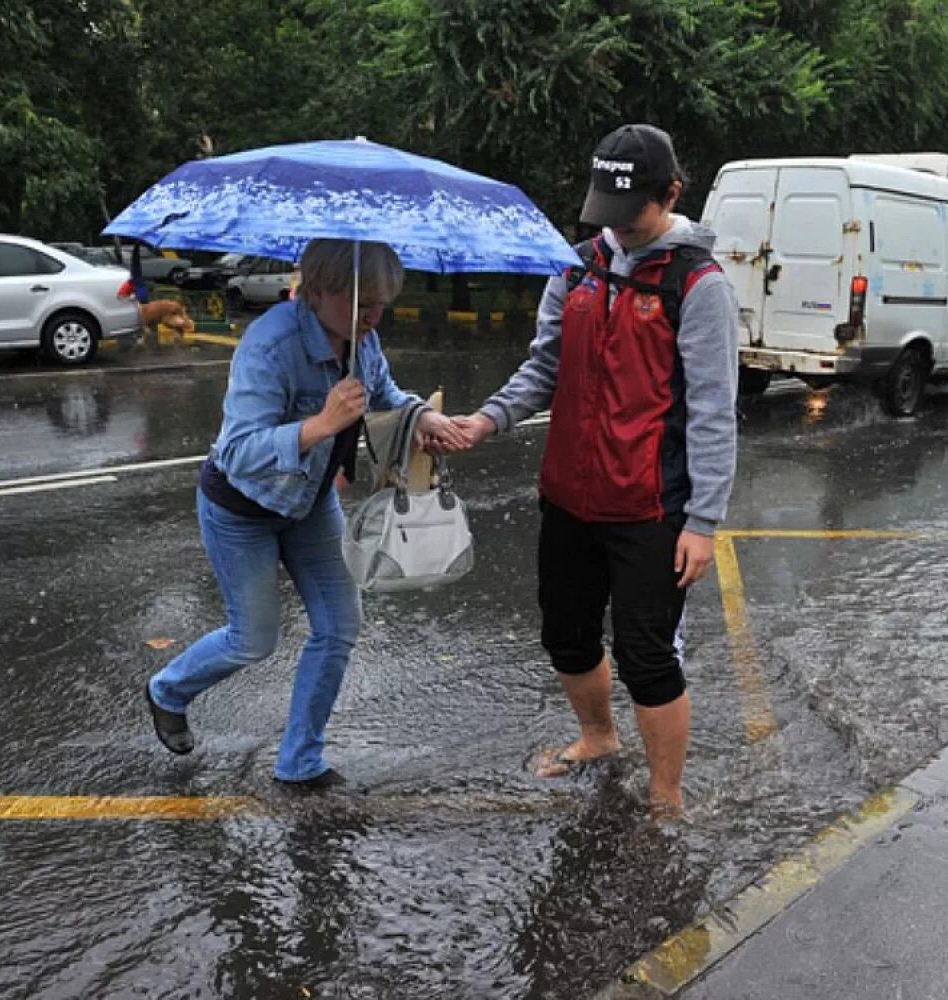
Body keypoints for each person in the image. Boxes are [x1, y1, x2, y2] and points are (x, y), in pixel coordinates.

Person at [452, 124, 740, 816]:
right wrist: (486, 419)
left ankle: (665, 797)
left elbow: (712, 410)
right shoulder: (576, 266)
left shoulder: (696, 284)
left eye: (630, 211)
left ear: (671, 194)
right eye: (603, 209)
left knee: (646, 657)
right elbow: (544, 365)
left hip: (650, 507)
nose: (615, 227)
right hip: (571, 497)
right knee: (567, 634)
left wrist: (702, 523)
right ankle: (599, 737)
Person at [144, 238, 470, 788]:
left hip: (311, 505)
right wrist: (321, 424)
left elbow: (384, 391)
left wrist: (420, 417)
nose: (372, 317)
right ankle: (167, 691)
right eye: (361, 304)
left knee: (340, 626)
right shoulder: (269, 346)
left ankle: (300, 761)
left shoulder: (362, 338)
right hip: (240, 508)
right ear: (316, 292)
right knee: (254, 639)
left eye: (381, 305)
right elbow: (241, 449)